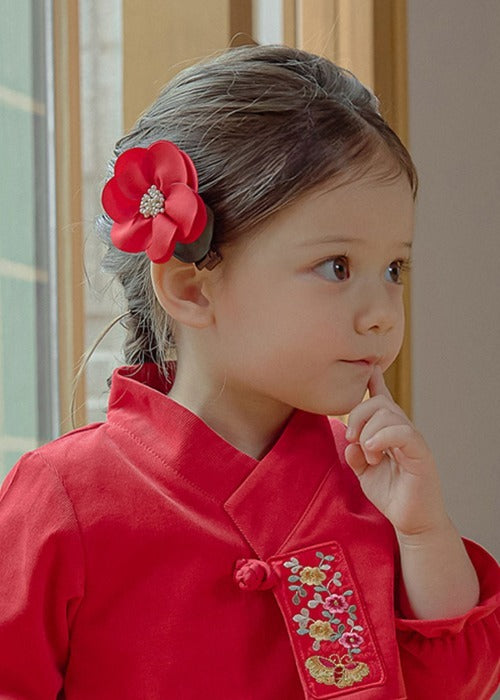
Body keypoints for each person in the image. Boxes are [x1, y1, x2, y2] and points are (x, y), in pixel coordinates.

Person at [0, 45, 498, 699]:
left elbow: (452, 687)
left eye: (394, 269)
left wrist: (423, 531)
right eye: (337, 267)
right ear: (192, 288)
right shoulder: (63, 495)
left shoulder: (370, 489)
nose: (382, 313)